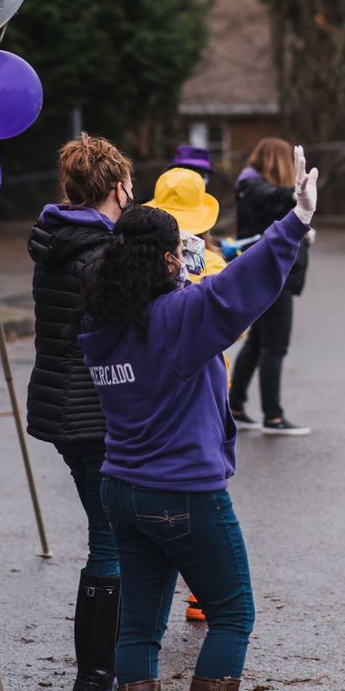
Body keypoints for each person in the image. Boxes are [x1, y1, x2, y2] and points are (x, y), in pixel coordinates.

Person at [80, 147, 319, 691]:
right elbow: (235, 290)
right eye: (176, 253)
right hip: (183, 493)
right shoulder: (175, 321)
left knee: (138, 633)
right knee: (234, 615)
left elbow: (201, 295)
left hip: (121, 490)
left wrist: (177, 272)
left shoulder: (101, 326)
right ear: (164, 259)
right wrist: (294, 222)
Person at [25, 132, 135, 691]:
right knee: (109, 540)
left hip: (61, 407)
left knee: (106, 533)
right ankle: (96, 680)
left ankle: (102, 671)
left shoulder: (57, 241)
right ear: (117, 187)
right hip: (93, 411)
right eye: (129, 185)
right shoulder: (99, 253)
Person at [146, 166, 228, 623]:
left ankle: (159, 577)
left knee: (160, 479)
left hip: (154, 382)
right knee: (204, 482)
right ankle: (201, 591)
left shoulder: (142, 261)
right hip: (208, 388)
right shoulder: (213, 264)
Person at [229, 137, 312, 435]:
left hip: (264, 272)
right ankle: (273, 417)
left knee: (256, 343)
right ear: (279, 161)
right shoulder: (254, 188)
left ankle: (235, 407)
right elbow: (275, 198)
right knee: (274, 346)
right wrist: (300, 194)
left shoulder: (248, 186)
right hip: (274, 275)